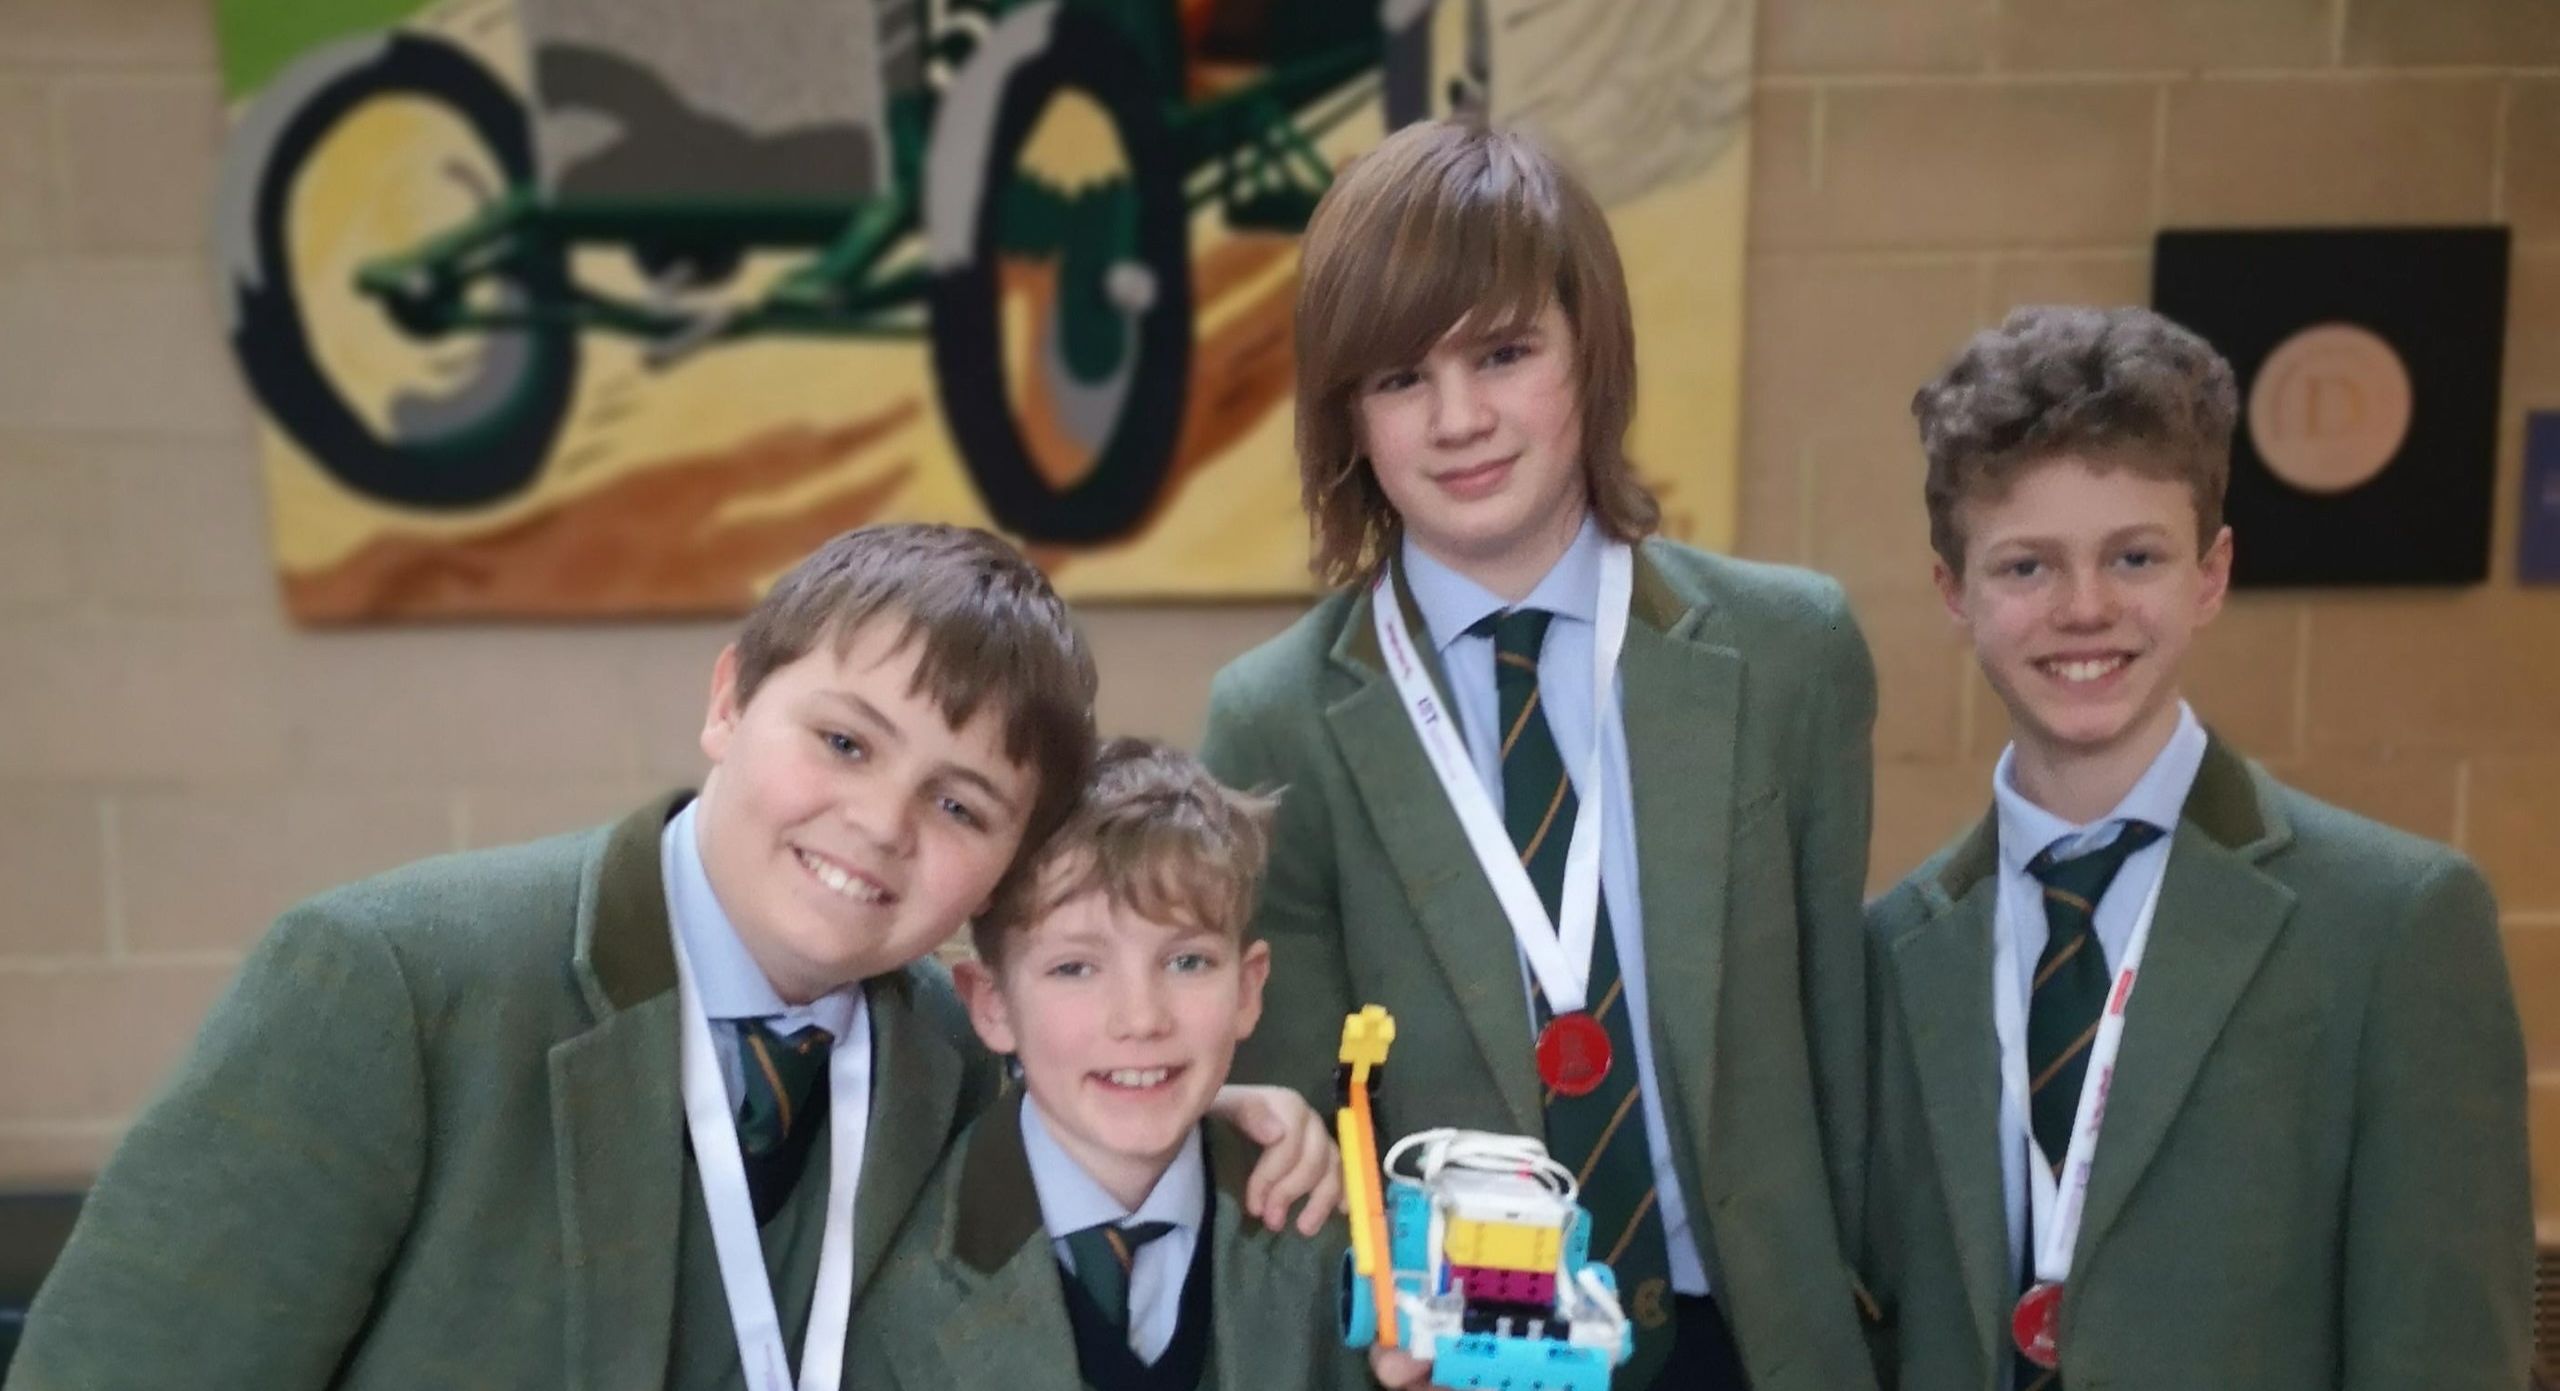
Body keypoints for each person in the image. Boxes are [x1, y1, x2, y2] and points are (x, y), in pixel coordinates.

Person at [13, 524, 1339, 1391]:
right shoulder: (395, 982)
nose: (878, 823)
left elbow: (1092, 1081)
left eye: (959, 804)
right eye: (843, 741)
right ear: (726, 700)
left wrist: (1223, 1112)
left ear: (997, 870)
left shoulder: (942, 1044)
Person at [1200, 117, 1883, 1391]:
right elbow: (1293, 1143)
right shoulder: (1274, 715)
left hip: (1762, 1339)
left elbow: (1838, 1047)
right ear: (1348, 413)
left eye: (1504, 353)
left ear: (1592, 351)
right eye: (1400, 377)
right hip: (1469, 1360)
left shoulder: (1793, 651)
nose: (1458, 419)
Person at [1863, 305, 2533, 1390]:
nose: (2085, 609)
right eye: (2026, 566)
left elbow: (2446, 1352)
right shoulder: (1888, 950)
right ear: (1954, 592)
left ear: (2210, 574)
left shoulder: (2391, 921)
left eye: (2134, 556)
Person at [850, 736, 1366, 1391]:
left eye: (1187, 961)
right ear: (993, 1004)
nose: (1141, 1018)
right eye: (1075, 968)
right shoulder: (894, 1272)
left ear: (1248, 987)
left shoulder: (1329, 1239)